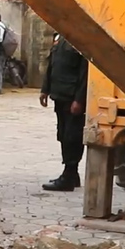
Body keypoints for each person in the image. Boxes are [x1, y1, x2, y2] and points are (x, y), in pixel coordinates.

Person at [39, 32, 88, 191]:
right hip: (59, 95)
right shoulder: (59, 37)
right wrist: (45, 90)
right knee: (62, 134)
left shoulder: (81, 40)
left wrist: (79, 99)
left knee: (72, 136)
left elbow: (85, 73)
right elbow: (51, 64)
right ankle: (72, 175)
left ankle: (69, 175)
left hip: (72, 97)